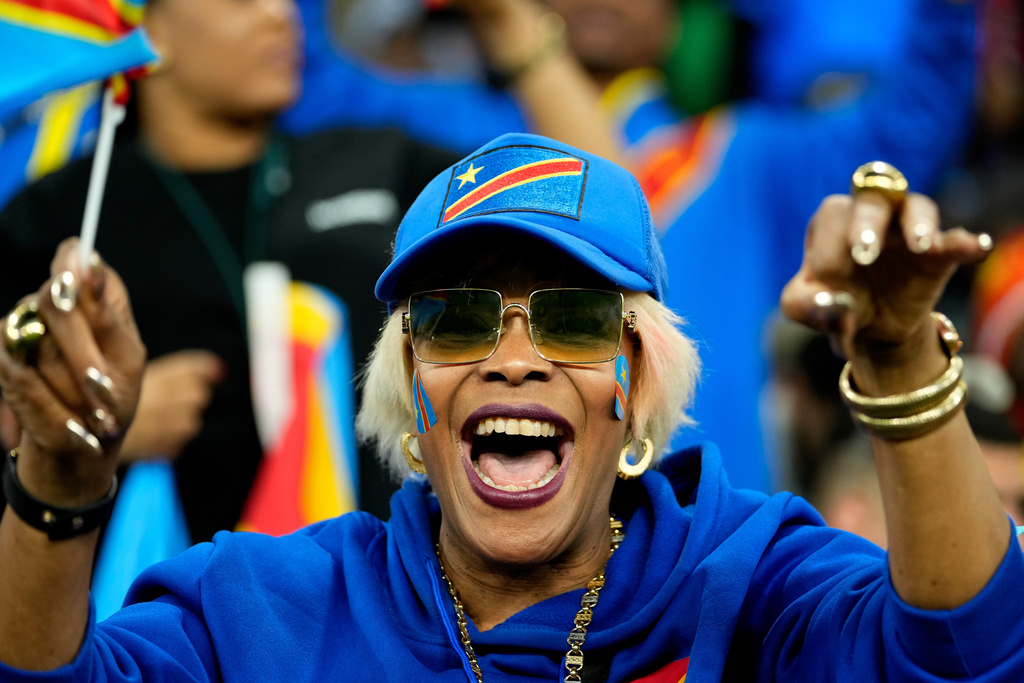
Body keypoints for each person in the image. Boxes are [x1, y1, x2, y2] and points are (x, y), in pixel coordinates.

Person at [0, 132, 1021, 680]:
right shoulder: (260, 610)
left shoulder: (753, 581)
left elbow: (969, 652)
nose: (516, 357)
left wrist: (898, 374)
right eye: (457, 319)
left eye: (573, 316)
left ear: (635, 387)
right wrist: (59, 479)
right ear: (415, 397)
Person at [282, 0, 977, 493]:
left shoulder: (748, 154)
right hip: (497, 523)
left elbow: (914, 117)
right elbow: (306, 80)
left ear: (680, 17)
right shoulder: (459, 139)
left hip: (713, 556)